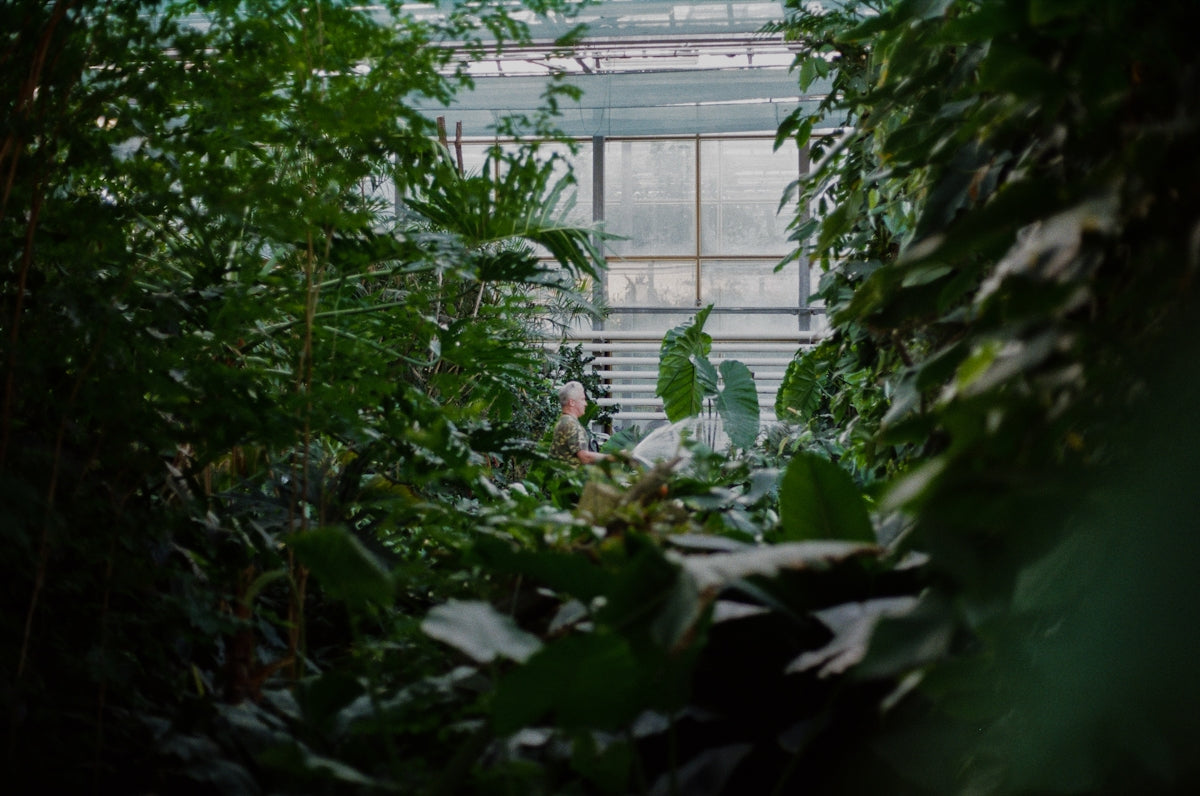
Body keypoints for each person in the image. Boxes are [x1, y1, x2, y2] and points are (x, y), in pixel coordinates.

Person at [549, 381, 609, 465]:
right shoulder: (570, 424)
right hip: (569, 476)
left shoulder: (565, 421)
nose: (585, 404)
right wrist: (614, 457)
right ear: (572, 402)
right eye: (582, 399)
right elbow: (584, 457)